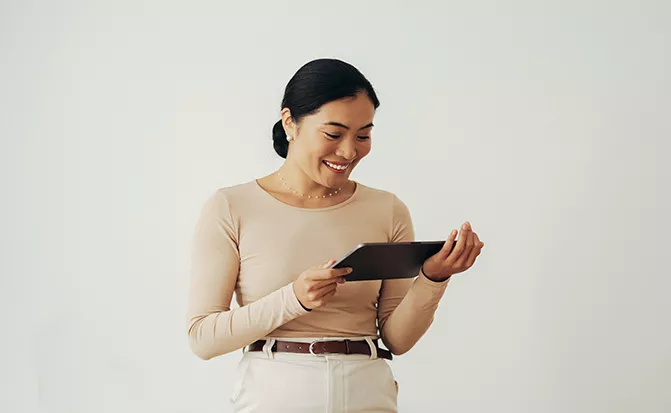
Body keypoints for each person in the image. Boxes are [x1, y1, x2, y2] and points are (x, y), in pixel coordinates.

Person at [186, 58, 485, 413]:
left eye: (363, 135)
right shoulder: (232, 206)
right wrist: (293, 298)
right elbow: (203, 338)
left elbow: (397, 339)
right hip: (274, 394)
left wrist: (434, 278)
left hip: (367, 392)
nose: (348, 151)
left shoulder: (387, 209)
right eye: (333, 134)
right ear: (290, 124)